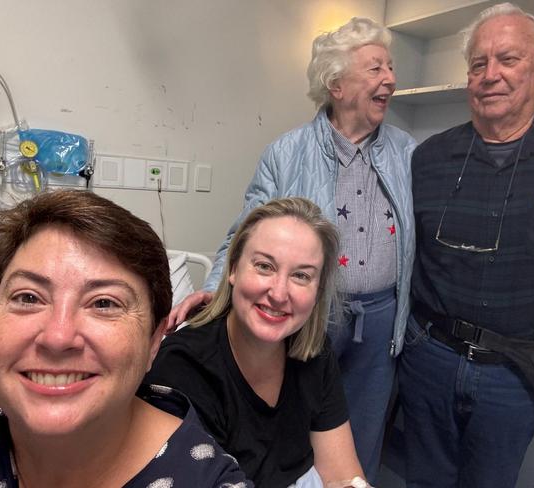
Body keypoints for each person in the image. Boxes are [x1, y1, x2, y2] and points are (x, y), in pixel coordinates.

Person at [169, 17, 417, 481]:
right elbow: (246, 233)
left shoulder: (406, 151)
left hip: (381, 317)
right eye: (375, 68)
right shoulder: (287, 152)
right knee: (293, 419)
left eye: (390, 67)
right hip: (310, 309)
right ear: (337, 84)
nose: (390, 79)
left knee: (360, 431)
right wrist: (212, 293)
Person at [0, 189, 251, 487]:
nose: (58, 337)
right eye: (29, 297)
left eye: (104, 303)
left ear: (154, 342)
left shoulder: (203, 478)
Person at [399, 3, 534, 487]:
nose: (490, 75)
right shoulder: (429, 158)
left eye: (508, 59)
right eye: (478, 64)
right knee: (422, 480)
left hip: (520, 376)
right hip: (429, 361)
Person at [146, 197, 370, 488]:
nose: (278, 293)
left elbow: (343, 475)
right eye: (264, 266)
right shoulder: (183, 368)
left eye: (301, 276)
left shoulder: (315, 353)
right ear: (233, 270)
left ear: (318, 290)